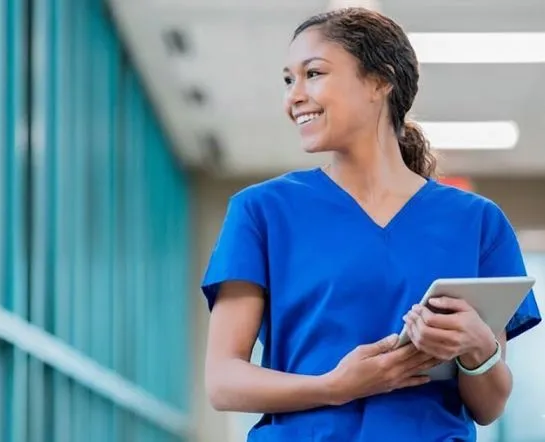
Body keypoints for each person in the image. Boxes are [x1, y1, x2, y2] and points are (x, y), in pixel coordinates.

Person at [201, 7, 542, 442]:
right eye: (288, 80)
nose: (294, 97)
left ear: (380, 82)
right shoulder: (260, 212)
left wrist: (478, 348)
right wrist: (335, 387)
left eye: (314, 74)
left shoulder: (477, 223)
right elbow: (223, 381)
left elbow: (489, 406)